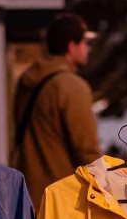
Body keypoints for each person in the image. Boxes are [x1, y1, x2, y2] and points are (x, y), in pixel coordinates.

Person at [12, 13, 100, 207]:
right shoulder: (72, 86)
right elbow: (87, 151)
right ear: (71, 46)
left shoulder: (27, 80)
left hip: (27, 194)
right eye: (85, 42)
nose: (88, 49)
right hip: (62, 199)